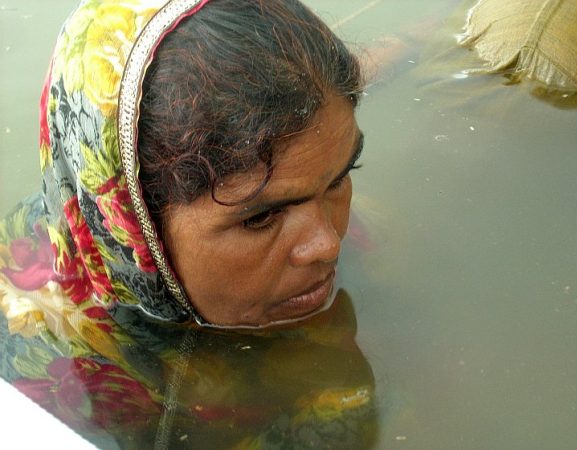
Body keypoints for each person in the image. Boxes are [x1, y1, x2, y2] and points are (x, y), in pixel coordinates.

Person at [0, 0, 381, 447]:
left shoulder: (313, 201)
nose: (328, 243)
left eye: (341, 177)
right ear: (134, 232)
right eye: (262, 218)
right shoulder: (38, 396)